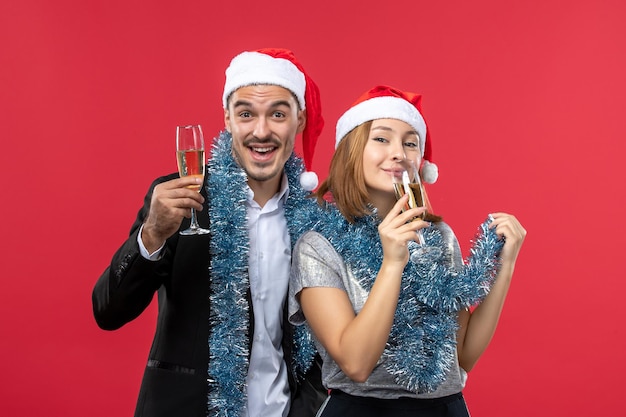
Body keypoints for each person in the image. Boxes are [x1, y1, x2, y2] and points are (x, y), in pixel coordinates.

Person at [92, 48, 328, 417]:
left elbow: (318, 345)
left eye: (277, 114)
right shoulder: (178, 200)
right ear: (228, 119)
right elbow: (108, 311)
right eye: (246, 113)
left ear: (298, 121)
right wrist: (152, 234)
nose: (261, 131)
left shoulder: (316, 220)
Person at [288, 85, 526, 416]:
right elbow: (356, 363)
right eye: (382, 138)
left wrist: (506, 266)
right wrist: (391, 264)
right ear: (352, 150)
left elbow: (463, 355)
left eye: (410, 143)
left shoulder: (439, 237)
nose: (399, 152)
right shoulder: (317, 246)